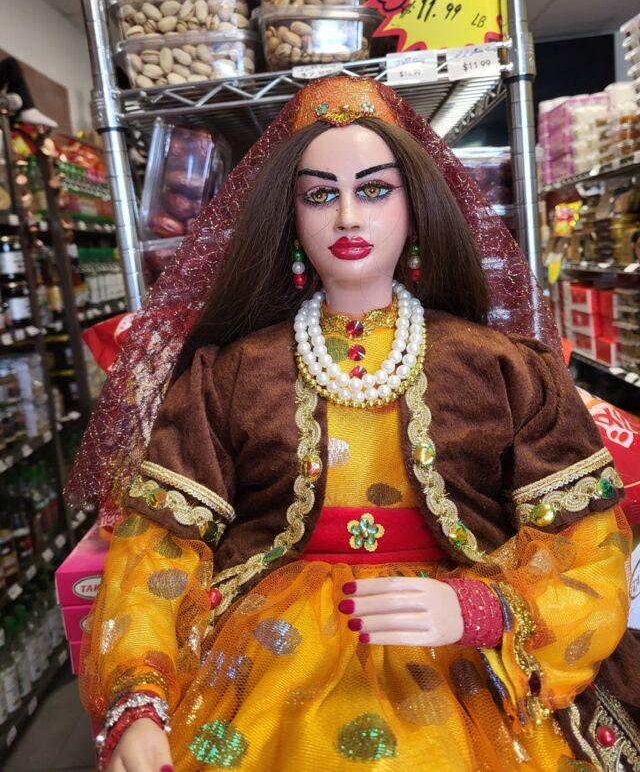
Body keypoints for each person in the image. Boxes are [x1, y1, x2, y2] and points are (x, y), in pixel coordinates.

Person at [70, 77, 640, 771]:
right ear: (290, 218)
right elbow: (159, 546)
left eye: (373, 190)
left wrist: (486, 610)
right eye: (319, 195)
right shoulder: (231, 375)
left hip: (456, 648)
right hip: (270, 657)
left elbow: (587, 546)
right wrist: (139, 692)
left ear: (416, 206)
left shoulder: (501, 367)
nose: (346, 216)